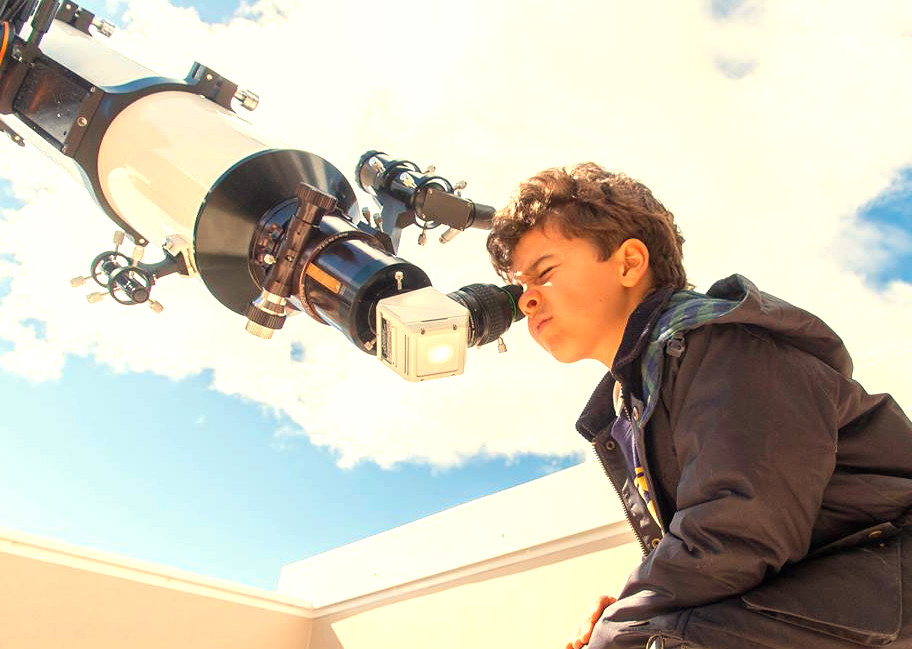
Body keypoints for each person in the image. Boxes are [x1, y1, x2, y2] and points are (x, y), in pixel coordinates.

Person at [486, 163, 912, 649]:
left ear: (628, 262)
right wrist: (634, 607)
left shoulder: (726, 346)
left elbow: (739, 529)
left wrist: (632, 616)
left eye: (545, 273)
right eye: (521, 288)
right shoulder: (636, 400)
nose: (527, 302)